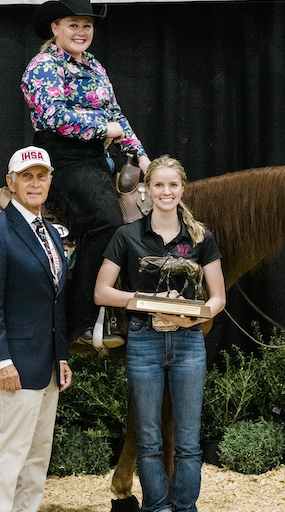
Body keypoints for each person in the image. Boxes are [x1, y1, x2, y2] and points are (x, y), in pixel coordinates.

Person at [94, 155, 226, 512]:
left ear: (182, 189)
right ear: (147, 190)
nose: (166, 192)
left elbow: (218, 299)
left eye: (172, 185)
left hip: (188, 343)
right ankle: (157, 507)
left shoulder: (201, 238)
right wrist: (144, 301)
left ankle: (185, 506)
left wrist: (194, 317)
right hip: (144, 340)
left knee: (188, 441)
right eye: (158, 185)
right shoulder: (128, 235)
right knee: (149, 439)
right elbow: (102, 292)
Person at [22, 0, 150, 346]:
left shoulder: (94, 66)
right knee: (105, 223)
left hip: (98, 158)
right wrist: (101, 129)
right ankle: (75, 322)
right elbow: (53, 115)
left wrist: (140, 155)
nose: (81, 31)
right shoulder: (44, 66)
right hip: (62, 157)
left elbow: (116, 113)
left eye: (87, 25)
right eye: (73, 24)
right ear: (56, 27)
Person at [0, 145, 72, 512]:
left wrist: (61, 356)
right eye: (26, 176)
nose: (34, 183)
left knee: (36, 456)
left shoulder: (51, 233)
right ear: (10, 183)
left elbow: (54, 300)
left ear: (49, 181)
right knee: (6, 453)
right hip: (13, 364)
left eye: (41, 176)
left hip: (46, 365)